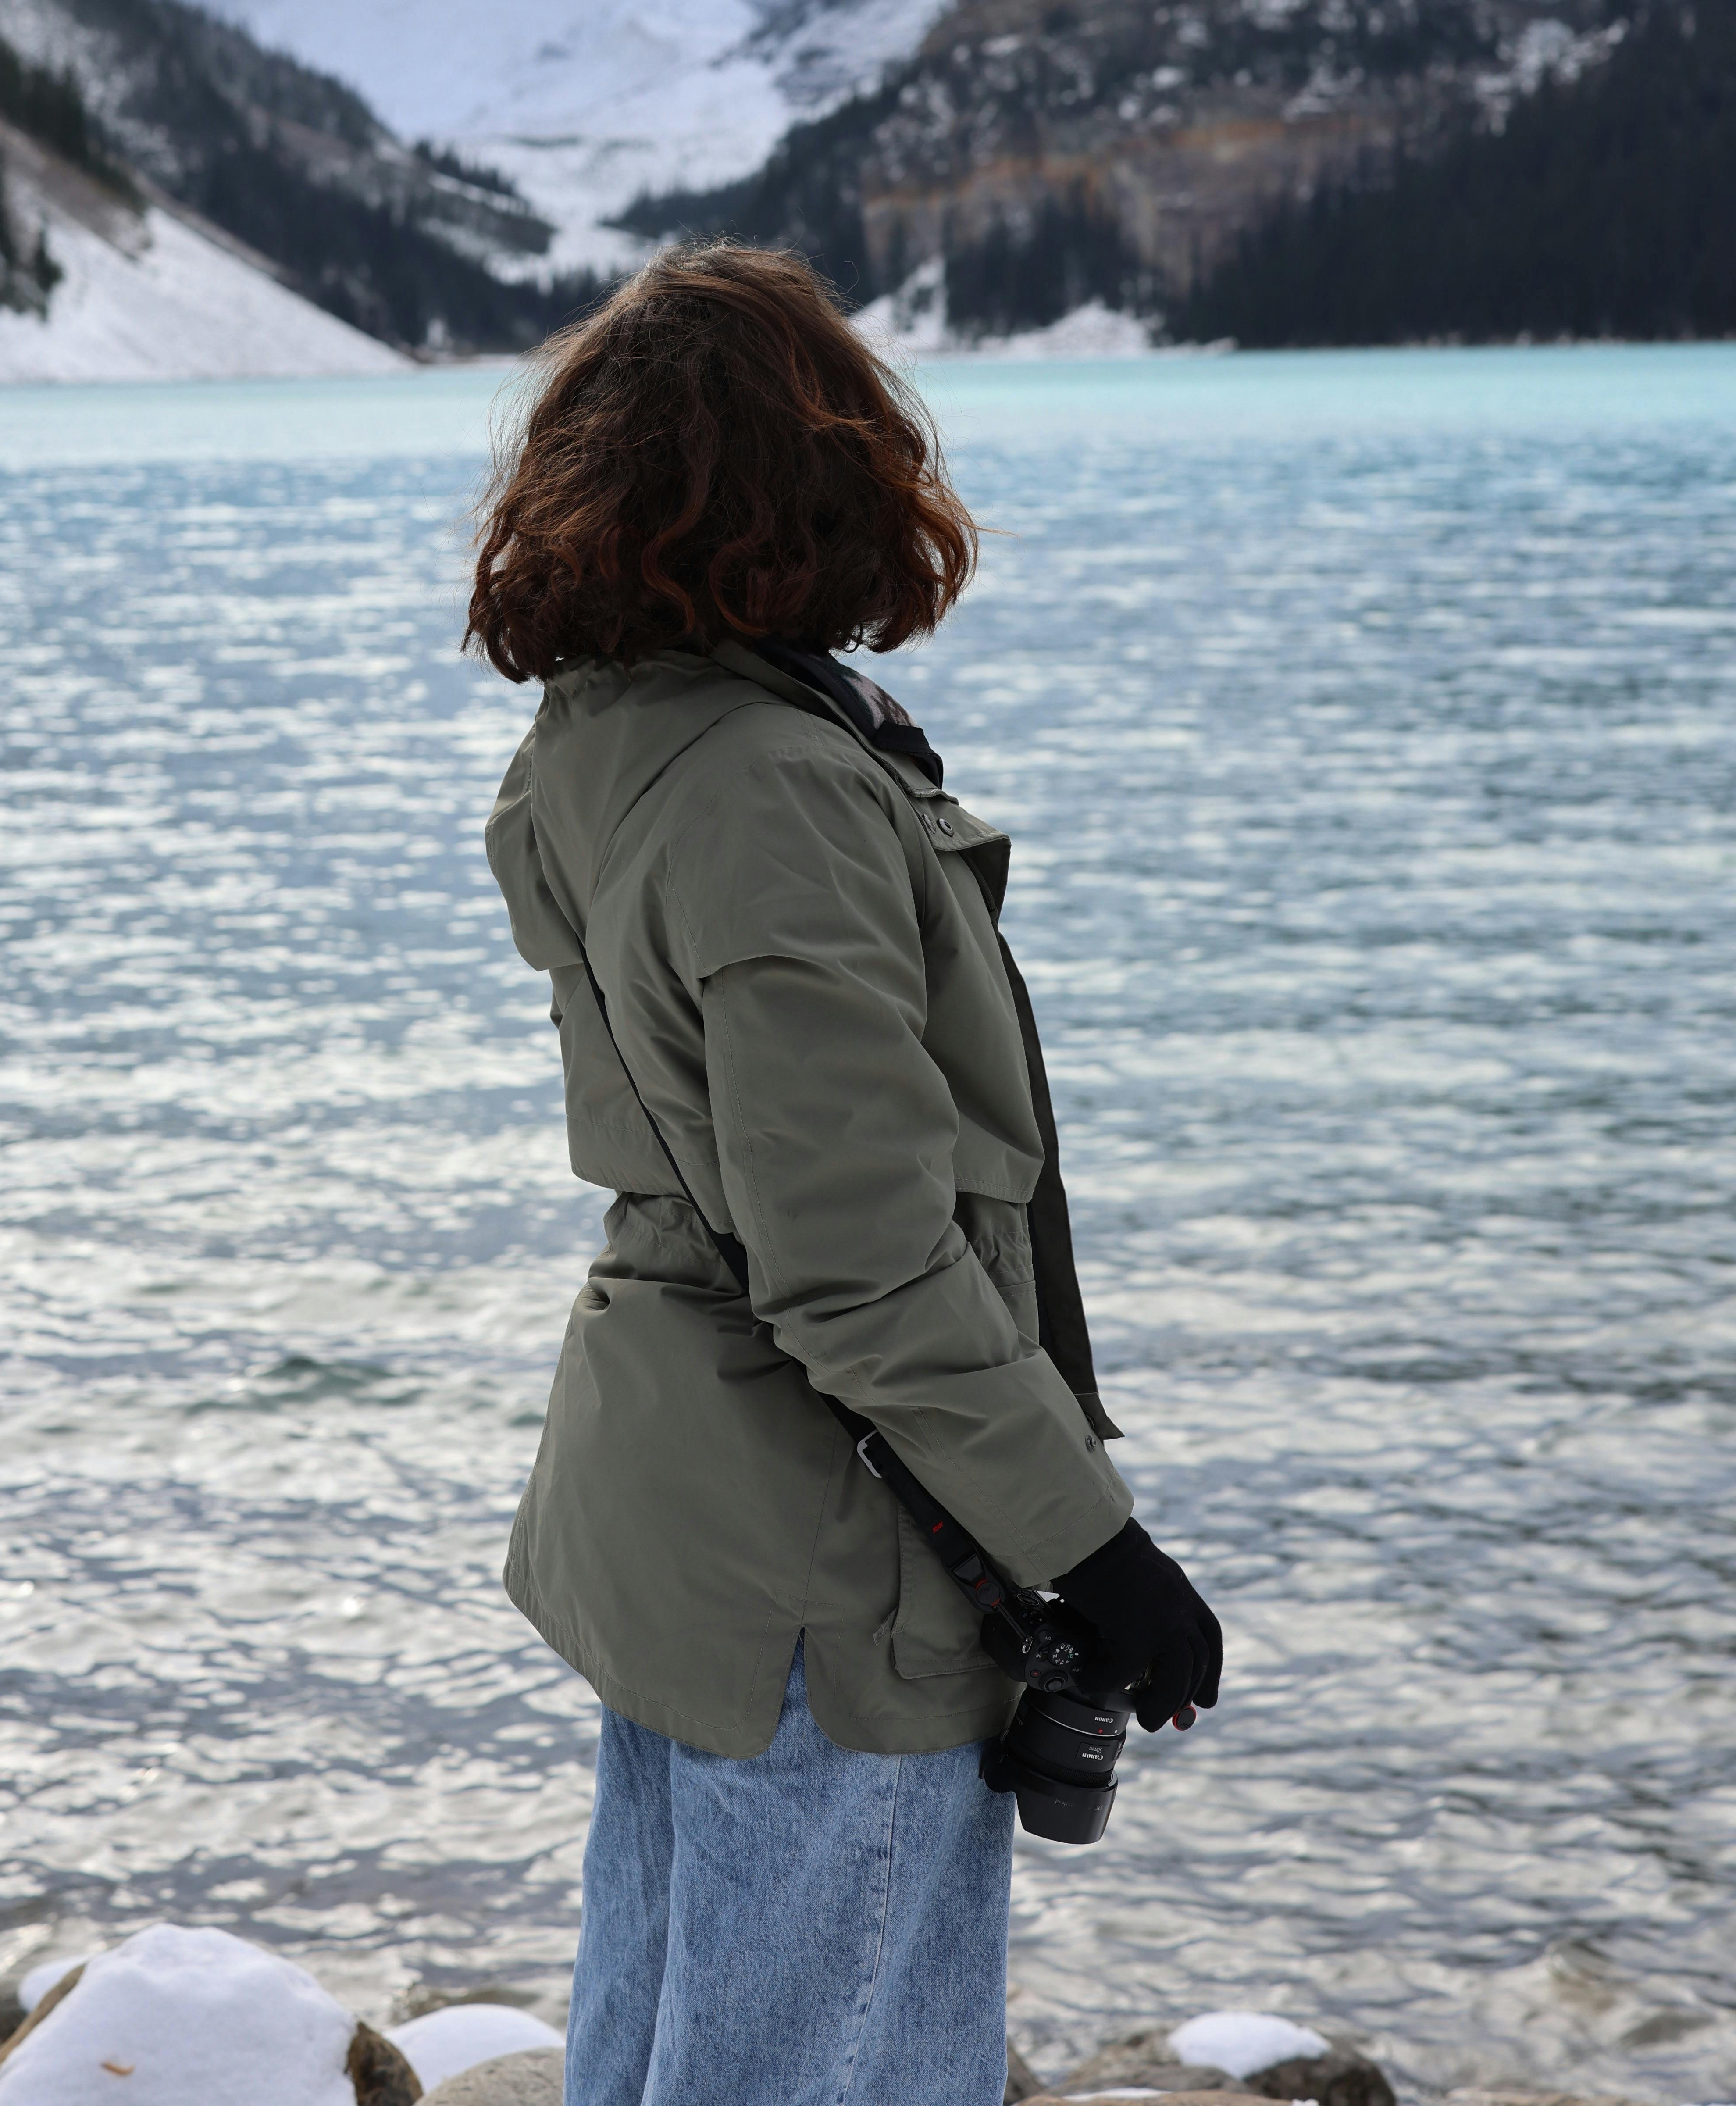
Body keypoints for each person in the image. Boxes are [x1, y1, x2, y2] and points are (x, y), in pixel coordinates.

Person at [469, 242, 1223, 2106]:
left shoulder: (608, 735)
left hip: (679, 1511)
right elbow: (860, 1263)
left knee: (664, 2044)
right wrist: (1096, 1550)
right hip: (819, 1565)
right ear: (819, 476)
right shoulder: (775, 784)